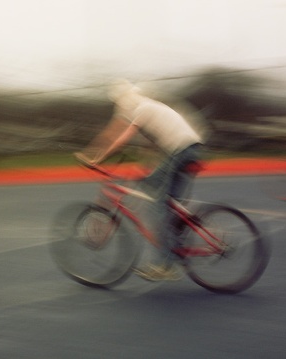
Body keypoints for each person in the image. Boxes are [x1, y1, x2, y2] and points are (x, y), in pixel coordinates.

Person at [76, 79, 204, 281]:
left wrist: (97, 158)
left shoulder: (142, 109)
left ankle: (165, 266)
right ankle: (181, 219)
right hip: (191, 148)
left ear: (125, 99)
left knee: (157, 207)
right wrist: (144, 167)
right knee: (151, 183)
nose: (121, 107)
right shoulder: (150, 107)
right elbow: (148, 143)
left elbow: (121, 137)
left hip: (181, 151)